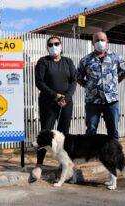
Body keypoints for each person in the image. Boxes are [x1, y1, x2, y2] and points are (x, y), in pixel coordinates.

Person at [77, 31, 125, 140]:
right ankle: (90, 155)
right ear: (92, 42)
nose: (100, 42)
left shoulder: (116, 58)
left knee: (113, 130)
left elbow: (123, 73)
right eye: (97, 40)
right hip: (92, 102)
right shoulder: (85, 60)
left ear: (107, 42)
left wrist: (111, 85)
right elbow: (79, 77)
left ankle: (114, 155)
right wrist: (89, 86)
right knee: (91, 130)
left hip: (111, 101)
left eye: (102, 40)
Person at [35, 36, 77, 167]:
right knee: (45, 132)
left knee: (63, 133)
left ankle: (63, 163)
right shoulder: (43, 62)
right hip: (48, 102)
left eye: (56, 43)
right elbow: (39, 82)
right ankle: (39, 165)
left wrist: (67, 97)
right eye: (50, 44)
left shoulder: (68, 62)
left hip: (66, 103)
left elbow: (74, 80)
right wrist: (55, 96)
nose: (54, 46)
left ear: (61, 45)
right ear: (47, 47)